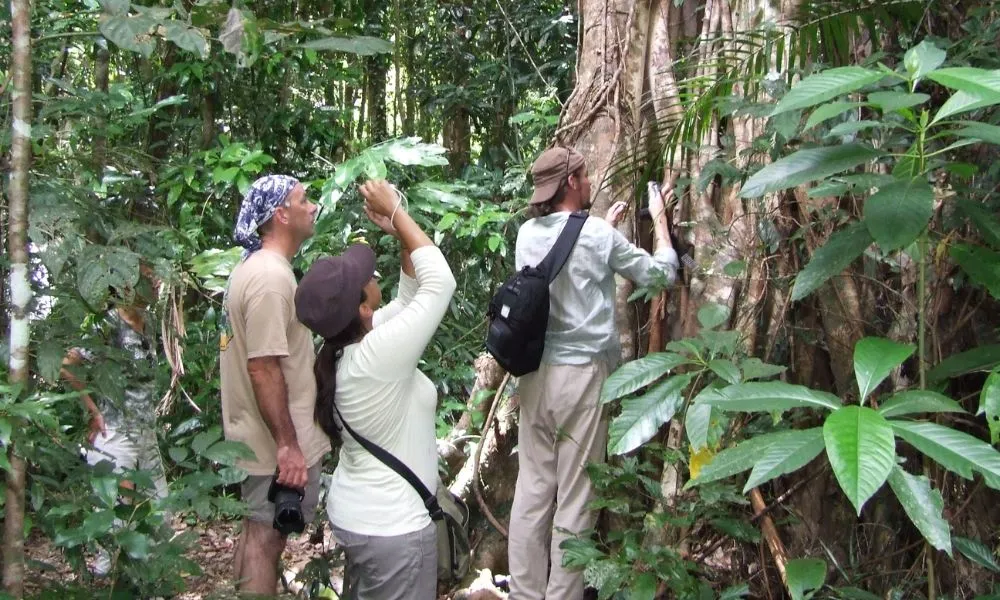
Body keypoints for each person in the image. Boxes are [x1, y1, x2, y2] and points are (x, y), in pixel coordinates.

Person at [507, 147, 679, 599]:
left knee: (533, 491)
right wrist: (660, 224)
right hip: (580, 379)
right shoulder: (597, 234)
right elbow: (661, 276)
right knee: (576, 497)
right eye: (583, 175)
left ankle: (525, 594)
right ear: (571, 183)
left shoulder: (526, 234)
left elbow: (566, 264)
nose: (588, 181)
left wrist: (605, 230)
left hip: (533, 375)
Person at [294, 180, 456, 599]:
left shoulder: (348, 348)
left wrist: (399, 234)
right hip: (393, 531)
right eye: (363, 279)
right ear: (363, 308)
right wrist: (399, 211)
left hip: (361, 518)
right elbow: (440, 284)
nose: (369, 274)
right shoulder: (375, 356)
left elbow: (408, 299)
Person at [220, 174, 331, 595]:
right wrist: (287, 445)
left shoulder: (258, 269)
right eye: (304, 200)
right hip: (273, 444)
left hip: (259, 436)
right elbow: (263, 367)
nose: (312, 207)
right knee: (267, 539)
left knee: (256, 532)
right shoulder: (269, 279)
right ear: (281, 215)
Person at [60, 270, 168, 575]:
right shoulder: (107, 325)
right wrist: (93, 410)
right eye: (151, 283)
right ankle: (106, 583)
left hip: (146, 432)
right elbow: (67, 365)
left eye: (157, 282)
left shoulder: (149, 324)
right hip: (115, 432)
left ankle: (153, 579)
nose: (157, 288)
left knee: (161, 507)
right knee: (116, 516)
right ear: (128, 287)